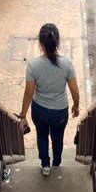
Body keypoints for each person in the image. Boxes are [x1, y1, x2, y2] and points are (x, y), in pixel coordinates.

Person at [19, 23, 80, 176]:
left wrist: (22, 114)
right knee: (58, 138)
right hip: (60, 112)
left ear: (40, 43)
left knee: (41, 135)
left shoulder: (33, 66)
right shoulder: (67, 64)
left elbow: (28, 93)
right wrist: (76, 106)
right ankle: (57, 163)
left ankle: (45, 165)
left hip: (39, 110)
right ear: (57, 42)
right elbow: (74, 90)